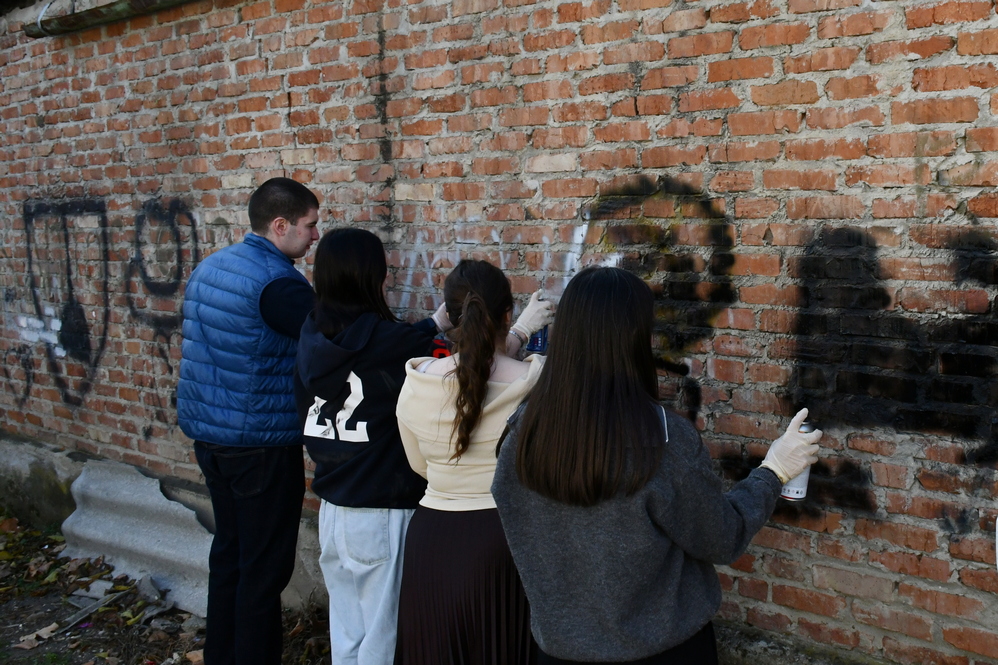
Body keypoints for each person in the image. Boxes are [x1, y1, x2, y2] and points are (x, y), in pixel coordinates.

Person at [492, 266, 822, 665]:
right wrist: (774, 471)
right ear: (635, 338)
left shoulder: (521, 433)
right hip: (664, 653)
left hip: (558, 653)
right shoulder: (661, 439)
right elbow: (722, 538)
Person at [294, 234, 551, 665]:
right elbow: (476, 368)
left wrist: (434, 324)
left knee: (348, 636)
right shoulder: (397, 346)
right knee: (385, 642)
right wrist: (521, 332)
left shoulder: (311, 335)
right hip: (381, 509)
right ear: (370, 279)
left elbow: (447, 360)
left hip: (333, 508)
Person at [177, 177, 321, 665]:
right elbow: (334, 339)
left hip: (212, 441)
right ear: (280, 225)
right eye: (309, 225)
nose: (315, 236)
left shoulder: (211, 267)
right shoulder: (278, 285)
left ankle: (222, 655)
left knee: (230, 557)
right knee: (262, 571)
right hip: (260, 447)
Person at [394, 259, 553, 665]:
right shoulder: (539, 382)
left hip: (431, 539)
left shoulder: (418, 381)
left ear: (449, 316)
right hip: (507, 538)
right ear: (507, 315)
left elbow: (418, 465)